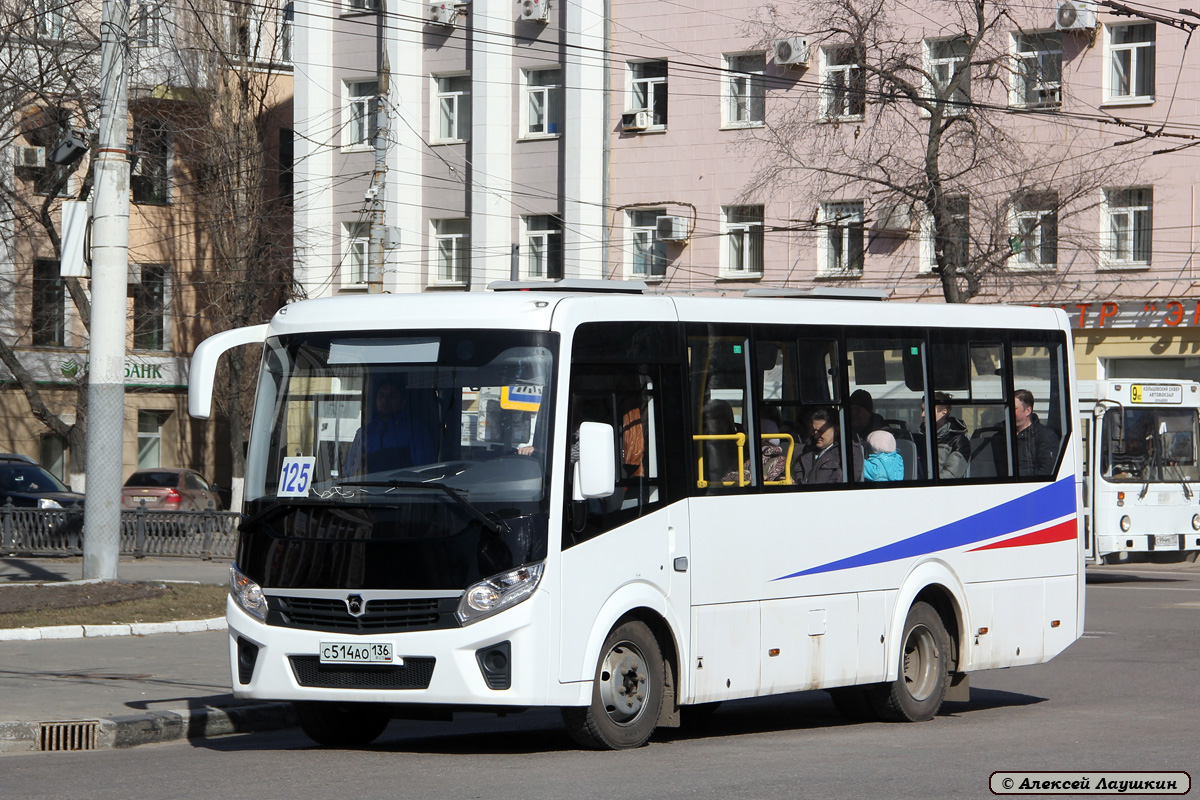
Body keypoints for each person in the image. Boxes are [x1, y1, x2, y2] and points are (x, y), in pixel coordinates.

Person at [343, 377, 435, 477]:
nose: (385, 400)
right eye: (381, 395)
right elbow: (350, 472)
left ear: (403, 402)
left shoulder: (415, 431)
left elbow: (423, 471)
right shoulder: (364, 432)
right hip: (367, 490)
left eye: (391, 396)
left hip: (404, 490)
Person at [795, 407, 861, 484]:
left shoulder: (848, 453)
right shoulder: (803, 450)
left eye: (821, 431)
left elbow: (840, 486)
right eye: (814, 430)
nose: (816, 435)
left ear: (836, 431)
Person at [920, 391, 969, 479]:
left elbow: (951, 474)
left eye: (927, 410)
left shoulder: (958, 440)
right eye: (922, 410)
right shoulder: (920, 438)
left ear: (944, 412)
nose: (922, 415)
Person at [1014, 388, 1058, 476]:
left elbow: (1045, 472)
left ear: (1027, 411)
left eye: (1014, 408)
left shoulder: (1044, 436)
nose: (1008, 412)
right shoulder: (1001, 435)